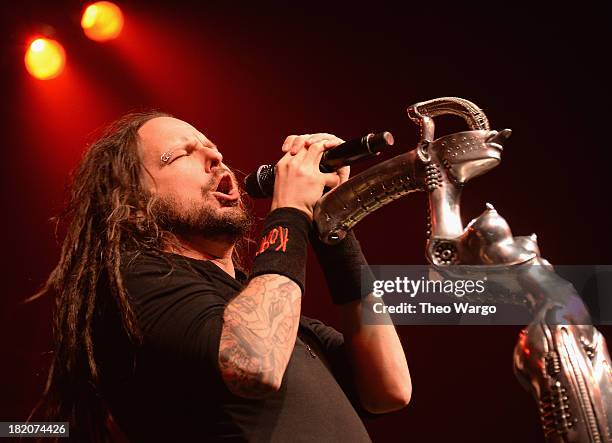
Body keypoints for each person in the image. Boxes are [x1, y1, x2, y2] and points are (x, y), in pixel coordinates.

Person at [31, 111, 411, 442]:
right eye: (180, 154)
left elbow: (389, 388)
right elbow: (253, 363)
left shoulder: (256, 300)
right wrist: (291, 211)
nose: (216, 156)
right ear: (132, 208)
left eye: (212, 147)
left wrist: (335, 227)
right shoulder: (133, 283)